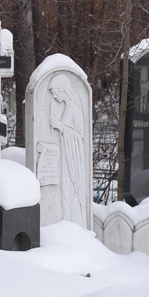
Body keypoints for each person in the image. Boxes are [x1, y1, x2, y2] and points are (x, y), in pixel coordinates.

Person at [48, 74, 87, 227]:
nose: (54, 96)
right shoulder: (68, 108)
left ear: (63, 89)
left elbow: (79, 135)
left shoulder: (75, 109)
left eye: (55, 92)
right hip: (67, 155)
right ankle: (66, 223)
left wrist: (60, 126)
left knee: (72, 190)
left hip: (74, 159)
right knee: (65, 190)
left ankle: (75, 223)